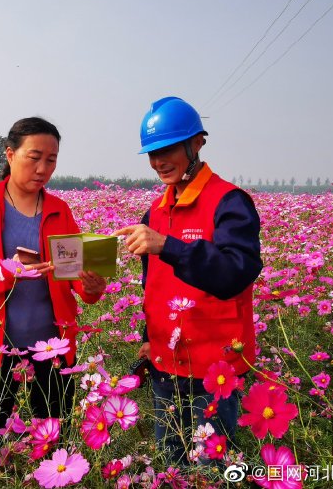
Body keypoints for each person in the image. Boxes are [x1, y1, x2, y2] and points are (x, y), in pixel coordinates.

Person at [113, 97, 262, 465]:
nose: (158, 162)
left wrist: (168, 246)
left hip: (215, 367)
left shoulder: (229, 202)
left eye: (167, 150)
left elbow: (236, 273)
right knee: (171, 463)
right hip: (166, 362)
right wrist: (148, 338)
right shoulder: (156, 209)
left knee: (211, 467)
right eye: (152, 153)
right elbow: (154, 284)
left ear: (197, 143)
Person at [0, 117, 106, 451]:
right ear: (10, 153)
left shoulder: (60, 210)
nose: (43, 169)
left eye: (51, 160)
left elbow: (73, 274)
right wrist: (8, 272)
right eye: (34, 157)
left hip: (52, 347)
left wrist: (91, 287)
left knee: (53, 439)